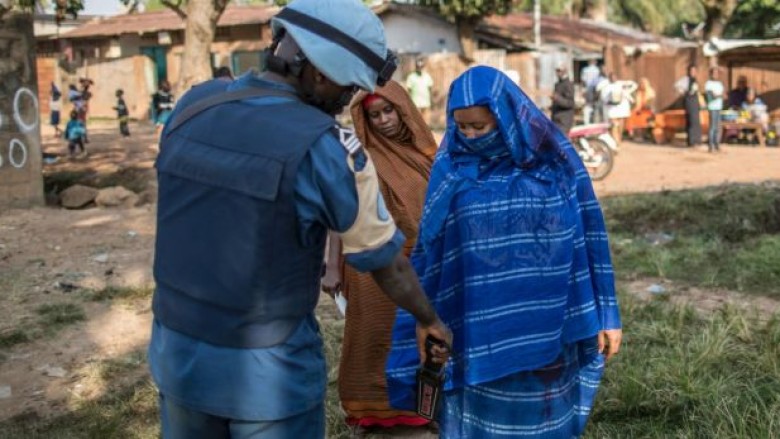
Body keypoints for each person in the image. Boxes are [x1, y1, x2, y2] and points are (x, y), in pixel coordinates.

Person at [147, 1, 452, 438]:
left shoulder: (194, 105)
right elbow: (385, 261)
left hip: (175, 352)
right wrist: (428, 319)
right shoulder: (331, 149)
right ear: (323, 75)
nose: (347, 102)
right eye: (349, 90)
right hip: (265, 377)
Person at [386, 66, 622, 438]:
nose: (470, 136)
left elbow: (591, 235)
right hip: (477, 332)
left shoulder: (557, 165)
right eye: (461, 127)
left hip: (551, 332)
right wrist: (423, 318)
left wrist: (607, 313)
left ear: (507, 116)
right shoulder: (449, 170)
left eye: (480, 127)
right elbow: (431, 254)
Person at [331, 80, 438, 433]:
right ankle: (371, 410)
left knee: (420, 337)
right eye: (374, 115)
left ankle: (421, 408)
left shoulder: (426, 155)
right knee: (373, 336)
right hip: (371, 265)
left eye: (388, 110)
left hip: (421, 263)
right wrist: (332, 268)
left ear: (404, 109)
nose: (383, 120)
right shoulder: (357, 157)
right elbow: (338, 214)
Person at [603, 72, 636, 145]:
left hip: (621, 109)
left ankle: (619, 139)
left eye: (614, 77)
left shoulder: (621, 85)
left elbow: (633, 85)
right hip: (612, 110)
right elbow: (604, 99)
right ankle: (616, 141)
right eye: (611, 77)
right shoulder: (606, 87)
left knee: (620, 126)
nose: (613, 79)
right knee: (614, 125)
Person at [405, 58, 434, 125]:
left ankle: (426, 133)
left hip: (426, 102)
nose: (420, 68)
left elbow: (430, 89)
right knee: (417, 120)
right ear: (416, 67)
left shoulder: (427, 76)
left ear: (423, 67)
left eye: (421, 67)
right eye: (418, 67)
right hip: (416, 102)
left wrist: (432, 100)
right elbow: (409, 90)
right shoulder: (411, 77)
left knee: (426, 120)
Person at [551, 63, 575, 135]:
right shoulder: (557, 84)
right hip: (556, 118)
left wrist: (557, 98)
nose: (557, 73)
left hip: (564, 120)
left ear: (564, 71)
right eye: (557, 71)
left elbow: (570, 103)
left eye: (559, 70)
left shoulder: (568, 84)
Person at [704, 67, 724, 152]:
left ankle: (716, 144)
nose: (715, 75)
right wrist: (720, 96)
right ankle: (710, 145)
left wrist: (720, 95)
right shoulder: (708, 84)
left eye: (717, 73)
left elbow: (723, 94)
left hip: (719, 107)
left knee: (717, 127)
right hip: (712, 107)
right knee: (712, 127)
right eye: (714, 73)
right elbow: (712, 96)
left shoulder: (720, 84)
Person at [683, 64, 702, 147]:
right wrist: (685, 92)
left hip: (695, 101)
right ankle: (691, 141)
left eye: (694, 71)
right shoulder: (685, 80)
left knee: (696, 121)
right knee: (691, 121)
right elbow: (677, 86)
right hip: (689, 101)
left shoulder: (695, 80)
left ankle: (697, 140)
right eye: (691, 71)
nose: (693, 72)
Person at [580, 59, 601, 124]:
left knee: (588, 106)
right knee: (595, 106)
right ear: (594, 62)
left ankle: (588, 123)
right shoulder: (597, 69)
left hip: (589, 89)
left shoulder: (585, 70)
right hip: (595, 89)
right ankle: (595, 122)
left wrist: (583, 90)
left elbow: (583, 81)